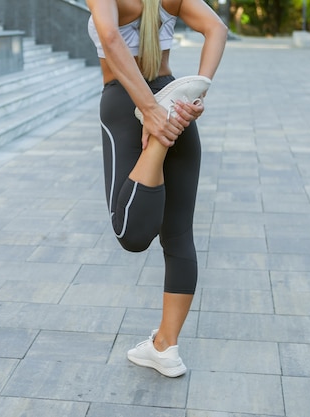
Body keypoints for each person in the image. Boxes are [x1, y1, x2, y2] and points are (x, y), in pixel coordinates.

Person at [86, 0, 227, 377]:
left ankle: (159, 143)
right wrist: (195, 96)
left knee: (128, 232)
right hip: (175, 100)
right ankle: (166, 347)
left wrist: (151, 113)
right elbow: (217, 29)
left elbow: (110, 35)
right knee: (179, 236)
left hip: (127, 103)